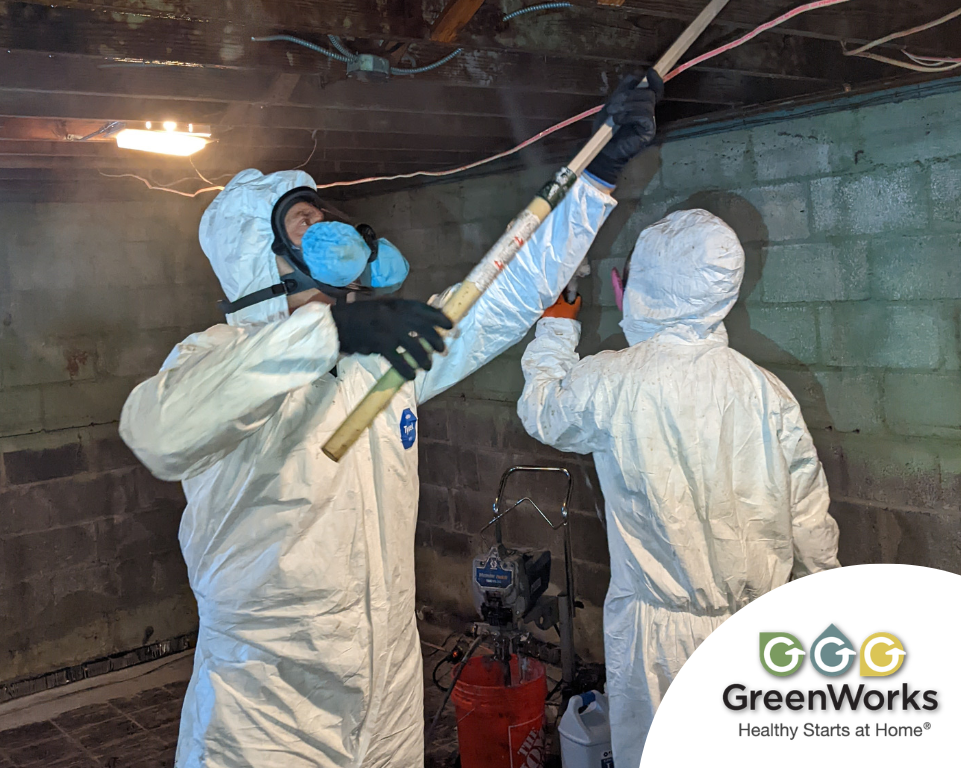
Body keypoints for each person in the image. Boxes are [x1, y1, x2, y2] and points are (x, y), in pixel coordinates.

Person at [118, 73, 662, 768]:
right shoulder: (220, 358)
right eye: (306, 222)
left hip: (388, 690)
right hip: (269, 712)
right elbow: (155, 431)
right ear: (265, 255)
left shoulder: (377, 364)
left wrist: (599, 174)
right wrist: (327, 333)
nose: (333, 230)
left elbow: (499, 297)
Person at [517, 207, 840, 767]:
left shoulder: (613, 379)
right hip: (758, 629)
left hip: (656, 639)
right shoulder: (765, 390)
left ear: (640, 287)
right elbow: (810, 521)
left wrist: (557, 326)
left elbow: (543, 411)